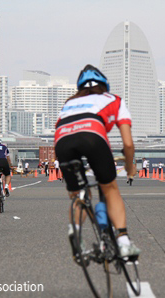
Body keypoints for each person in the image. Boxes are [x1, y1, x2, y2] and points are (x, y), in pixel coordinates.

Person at [54, 64, 140, 259]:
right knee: (109, 188)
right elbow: (127, 143)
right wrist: (129, 166)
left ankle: (75, 229)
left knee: (79, 194)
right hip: (93, 136)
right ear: (105, 85)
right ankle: (124, 241)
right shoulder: (114, 100)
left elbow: (63, 129)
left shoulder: (69, 103)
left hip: (62, 141)